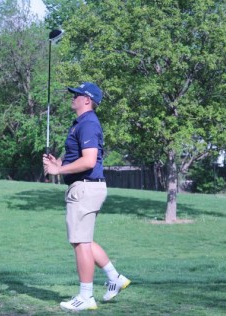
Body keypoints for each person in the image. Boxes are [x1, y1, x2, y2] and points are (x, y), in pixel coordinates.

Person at [43, 82, 130, 311]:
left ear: (87, 100)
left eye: (77, 95)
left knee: (80, 242)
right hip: (85, 187)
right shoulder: (81, 124)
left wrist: (58, 171)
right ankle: (115, 278)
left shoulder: (89, 123)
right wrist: (59, 163)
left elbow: (90, 161)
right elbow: (80, 160)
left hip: (85, 188)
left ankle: (86, 297)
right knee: (85, 240)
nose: (73, 97)